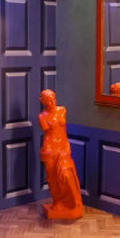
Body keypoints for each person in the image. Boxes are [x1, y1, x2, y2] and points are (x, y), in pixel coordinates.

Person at [39, 89, 84, 220]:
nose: (51, 102)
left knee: (66, 175)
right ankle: (57, 203)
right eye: (48, 100)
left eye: (53, 99)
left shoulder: (62, 110)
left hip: (63, 147)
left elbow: (63, 130)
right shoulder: (42, 116)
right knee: (53, 178)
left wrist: (66, 146)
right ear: (43, 102)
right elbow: (47, 133)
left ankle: (74, 203)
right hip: (50, 148)